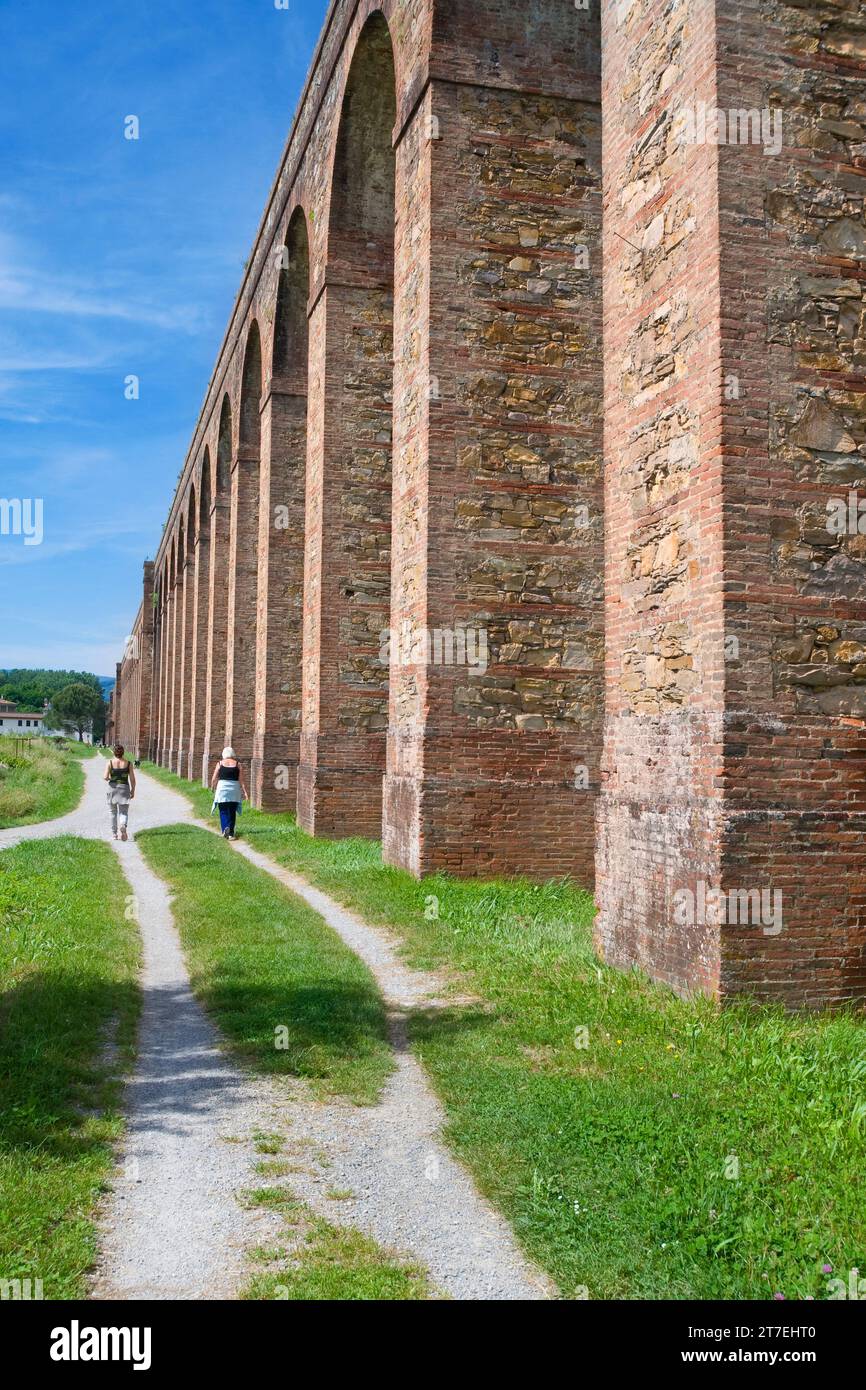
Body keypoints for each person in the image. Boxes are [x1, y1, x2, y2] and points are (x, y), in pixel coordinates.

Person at [210, 745, 248, 839]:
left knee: (223, 810)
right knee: (232, 811)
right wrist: (245, 792)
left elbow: (214, 778)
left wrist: (212, 787)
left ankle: (225, 828)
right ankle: (231, 833)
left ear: (224, 754)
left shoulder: (219, 763)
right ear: (232, 754)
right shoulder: (238, 764)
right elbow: (241, 780)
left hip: (222, 788)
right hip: (234, 789)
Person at [103, 744, 136, 841]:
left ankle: (114, 834)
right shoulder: (129, 763)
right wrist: (133, 790)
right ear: (123, 752)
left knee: (113, 812)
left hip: (112, 788)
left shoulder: (110, 763)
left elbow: (105, 777)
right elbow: (133, 779)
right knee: (123, 812)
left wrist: (111, 778)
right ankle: (123, 825)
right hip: (124, 788)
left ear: (113, 752)